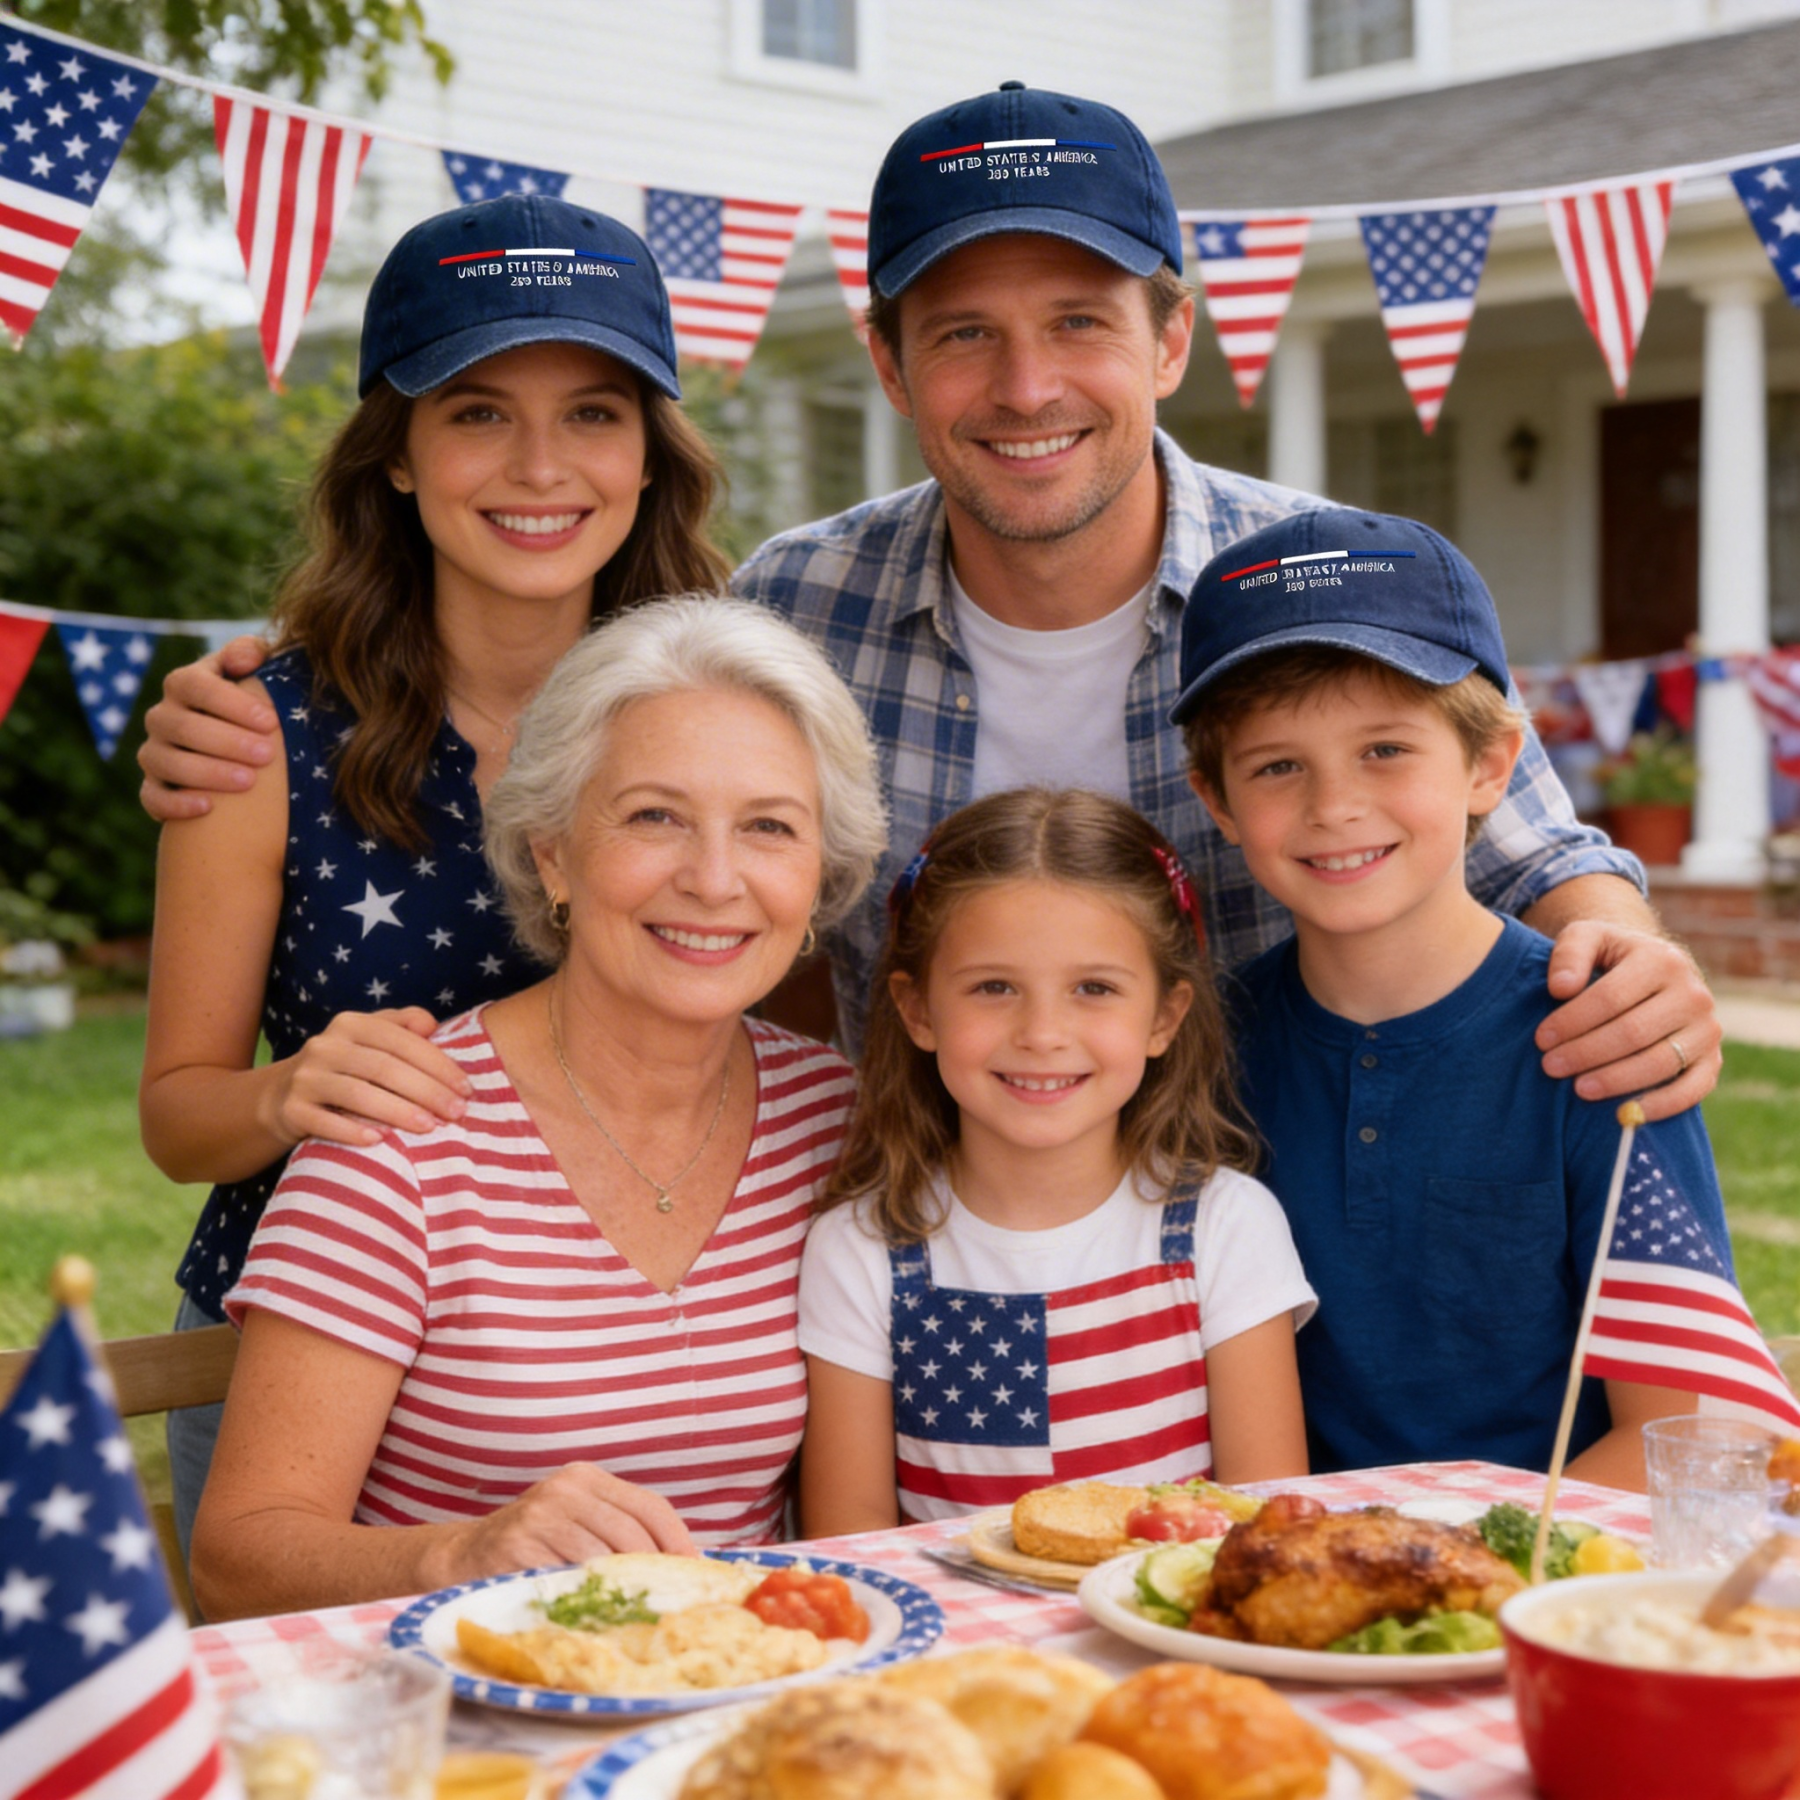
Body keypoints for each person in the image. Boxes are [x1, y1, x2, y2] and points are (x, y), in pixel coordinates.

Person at [134, 84, 1724, 1117]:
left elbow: (1531, 850)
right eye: (962, 333)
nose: (1026, 386)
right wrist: (287, 674)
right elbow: (577, 661)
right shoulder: (797, 602)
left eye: (1081, 323)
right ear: (888, 364)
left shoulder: (1329, 583)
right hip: (900, 1261)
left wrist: (1621, 946)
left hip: (1277, 1225)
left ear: (1171, 342)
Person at [137, 190, 733, 1559]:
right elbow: (178, 1122)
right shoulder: (258, 731)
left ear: (651, 453)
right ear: (394, 454)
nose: (540, 465)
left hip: (634, 1363)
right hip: (303, 1363)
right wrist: (289, 1094)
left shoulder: (717, 712)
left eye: (593, 412)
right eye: (476, 411)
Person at [188, 597, 888, 1620]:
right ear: (553, 850)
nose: (715, 878)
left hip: (739, 1713)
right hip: (467, 1729)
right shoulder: (402, 1131)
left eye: (771, 828)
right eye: (655, 816)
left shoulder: (837, 1121)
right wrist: (464, 1555)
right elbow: (237, 1558)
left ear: (820, 872)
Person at [1173, 505, 1718, 1490]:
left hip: (1546, 1580)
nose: (1334, 805)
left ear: (1490, 765)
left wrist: (1456, 1577)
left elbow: (1675, 1428)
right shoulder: (1208, 1053)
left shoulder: (1601, 1035)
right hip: (1278, 1581)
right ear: (1216, 799)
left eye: (1385, 750)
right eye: (1277, 766)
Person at [797, 788, 1314, 1536]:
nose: (1043, 1033)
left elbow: (1265, 1530)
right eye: (994, 987)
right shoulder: (861, 1250)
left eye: (1094, 989)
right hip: (959, 1650)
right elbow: (855, 1549)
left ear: (1165, 1017)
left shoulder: (1225, 1225)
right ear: (917, 1010)